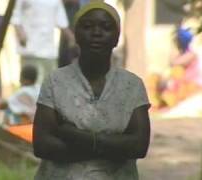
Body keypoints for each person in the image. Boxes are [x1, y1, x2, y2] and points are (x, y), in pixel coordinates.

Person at [32, 2, 151, 180]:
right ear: (76, 35)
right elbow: (42, 145)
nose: (96, 33)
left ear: (117, 37)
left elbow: (139, 147)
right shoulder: (55, 82)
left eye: (106, 27)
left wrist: (75, 136)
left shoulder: (132, 86)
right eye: (87, 26)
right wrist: (114, 146)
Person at [10, 0, 75, 84]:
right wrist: (20, 33)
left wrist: (72, 39)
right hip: (29, 51)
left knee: (50, 87)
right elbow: (15, 15)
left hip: (49, 52)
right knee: (30, 87)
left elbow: (62, 22)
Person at [152, 27, 202, 108]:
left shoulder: (191, 54)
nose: (176, 43)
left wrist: (172, 48)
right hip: (183, 83)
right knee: (156, 77)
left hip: (192, 84)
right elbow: (171, 64)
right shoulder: (180, 54)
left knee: (177, 71)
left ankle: (166, 100)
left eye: (177, 41)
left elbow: (174, 63)